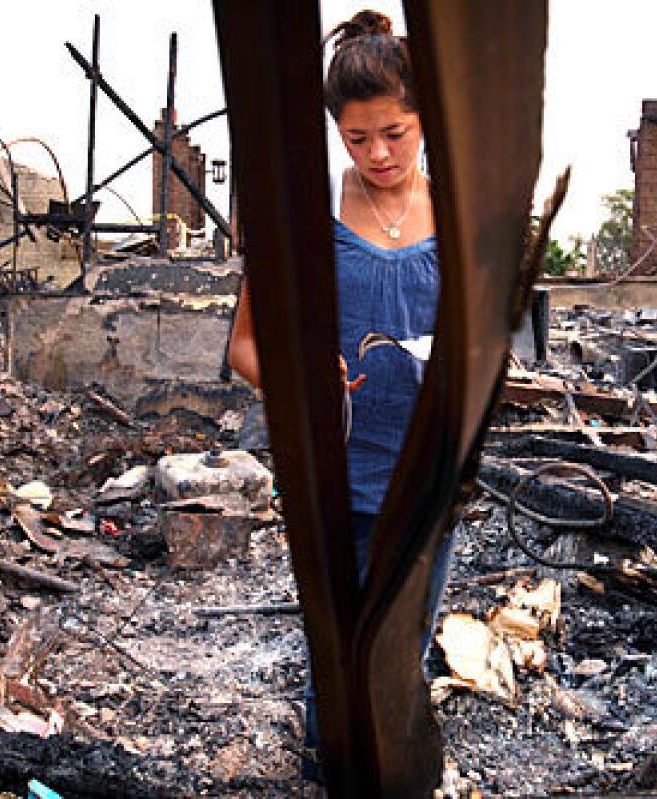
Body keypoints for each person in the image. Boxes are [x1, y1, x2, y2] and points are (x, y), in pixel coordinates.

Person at [226, 8, 458, 781]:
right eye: (357, 139)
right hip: (333, 489)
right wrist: (300, 379)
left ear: (426, 118)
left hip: (425, 492)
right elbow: (244, 346)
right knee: (335, 664)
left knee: (399, 662)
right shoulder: (310, 211)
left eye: (396, 131)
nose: (379, 153)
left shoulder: (458, 218)